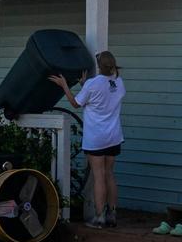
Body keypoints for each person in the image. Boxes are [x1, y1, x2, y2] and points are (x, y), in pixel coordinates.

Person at [48, 50, 125, 229]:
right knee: (110, 175)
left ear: (99, 65)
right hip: (114, 137)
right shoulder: (119, 82)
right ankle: (112, 215)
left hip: (96, 138)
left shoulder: (92, 84)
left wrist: (64, 85)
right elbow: (103, 95)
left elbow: (76, 103)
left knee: (98, 177)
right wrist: (85, 86)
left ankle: (99, 217)